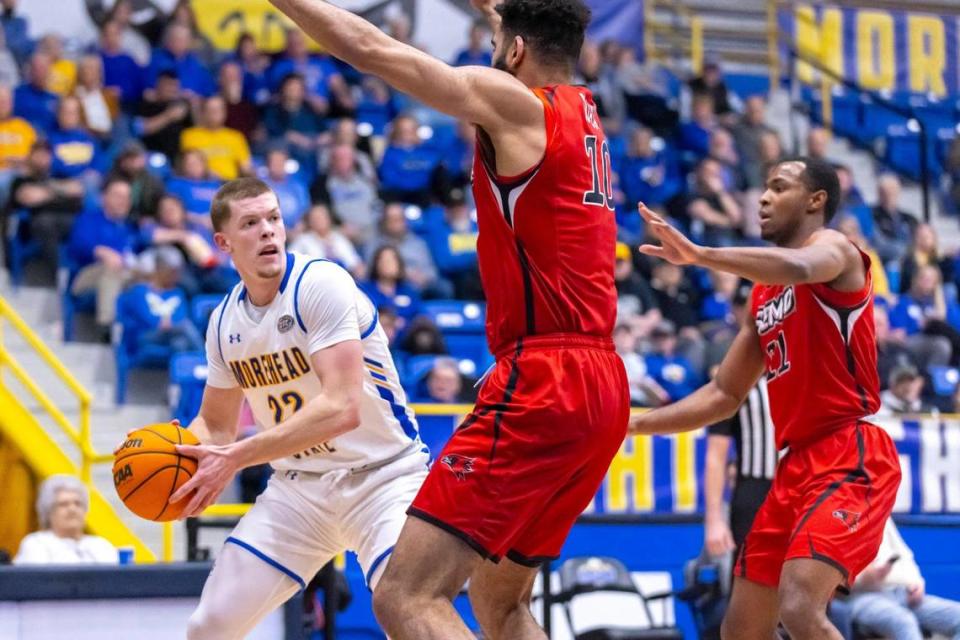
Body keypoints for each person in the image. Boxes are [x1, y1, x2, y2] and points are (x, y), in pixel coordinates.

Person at [265, 0, 630, 638]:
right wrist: (506, 14)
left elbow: (376, 52)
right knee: (500, 603)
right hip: (601, 381)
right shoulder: (586, 114)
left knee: (407, 596)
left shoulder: (518, 103)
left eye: (493, 39)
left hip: (545, 375)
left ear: (515, 52)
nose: (487, 48)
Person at [628, 158, 901, 640]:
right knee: (740, 631)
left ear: (816, 200)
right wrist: (633, 425)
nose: (763, 197)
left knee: (800, 608)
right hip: (793, 465)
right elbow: (723, 393)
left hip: (848, 452)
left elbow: (799, 265)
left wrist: (701, 255)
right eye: (764, 187)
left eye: (779, 187)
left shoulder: (835, 249)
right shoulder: (764, 296)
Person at [155, 179, 427, 640]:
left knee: (408, 610)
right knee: (209, 626)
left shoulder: (320, 284)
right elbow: (217, 426)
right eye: (251, 223)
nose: (267, 231)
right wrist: (169, 450)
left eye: (273, 219)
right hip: (300, 491)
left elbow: (342, 408)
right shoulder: (223, 323)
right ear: (223, 243)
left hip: (383, 477)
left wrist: (239, 456)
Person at [846, 517, 960, 640]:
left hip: (903, 593)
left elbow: (905, 554)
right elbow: (836, 578)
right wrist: (865, 578)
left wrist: (917, 582)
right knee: (904, 622)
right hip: (862, 597)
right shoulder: (841, 517)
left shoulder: (881, 513)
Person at [703, 379, 775, 560]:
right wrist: (714, 520)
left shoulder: (807, 374)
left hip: (803, 489)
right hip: (754, 491)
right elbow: (715, 456)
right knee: (750, 572)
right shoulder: (741, 380)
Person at [14, 475, 118, 565]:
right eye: (63, 504)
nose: (72, 509)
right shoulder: (36, 544)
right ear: (48, 511)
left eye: (78, 503)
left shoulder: (102, 545)